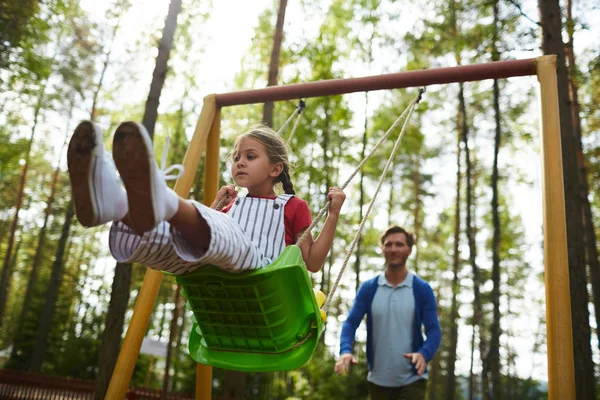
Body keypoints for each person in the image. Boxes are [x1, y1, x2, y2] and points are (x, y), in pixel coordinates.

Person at [67, 120, 345, 275]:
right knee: (168, 243)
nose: (239, 163)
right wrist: (215, 208)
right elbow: (200, 239)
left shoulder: (293, 206)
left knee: (231, 242)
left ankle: (160, 199)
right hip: (213, 278)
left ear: (275, 169)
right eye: (236, 157)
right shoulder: (232, 203)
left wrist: (332, 216)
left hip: (259, 277)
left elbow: (312, 262)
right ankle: (115, 205)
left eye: (250, 157)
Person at [334, 226, 441, 400]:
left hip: (413, 379)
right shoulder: (369, 288)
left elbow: (434, 331)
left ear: (409, 249)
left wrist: (423, 354)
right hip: (377, 381)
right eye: (388, 244)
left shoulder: (421, 289)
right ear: (382, 248)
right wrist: (345, 351)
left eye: (399, 244)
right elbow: (350, 323)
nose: (393, 249)